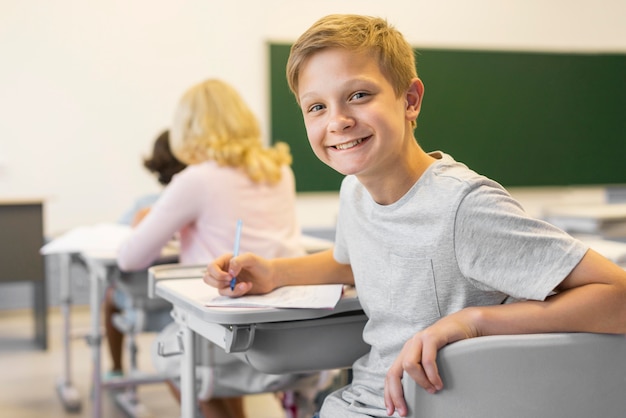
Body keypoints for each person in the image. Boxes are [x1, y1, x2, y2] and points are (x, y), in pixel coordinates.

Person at [203, 14, 626, 418]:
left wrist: (473, 322)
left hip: (435, 405)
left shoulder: (463, 207)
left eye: (359, 95)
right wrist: (274, 272)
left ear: (409, 100)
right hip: (363, 399)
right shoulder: (355, 190)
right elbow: (352, 263)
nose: (339, 121)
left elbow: (618, 296)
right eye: (316, 107)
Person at [117, 78, 322, 418]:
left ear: (188, 127)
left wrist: (153, 219)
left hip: (224, 339)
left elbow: (130, 258)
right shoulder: (279, 171)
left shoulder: (196, 179)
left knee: (168, 352)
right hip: (292, 334)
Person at [105, 130, 186, 379]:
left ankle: (117, 369)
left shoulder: (145, 205)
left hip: (143, 304)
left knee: (108, 297)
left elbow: (120, 247)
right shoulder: (210, 198)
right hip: (186, 303)